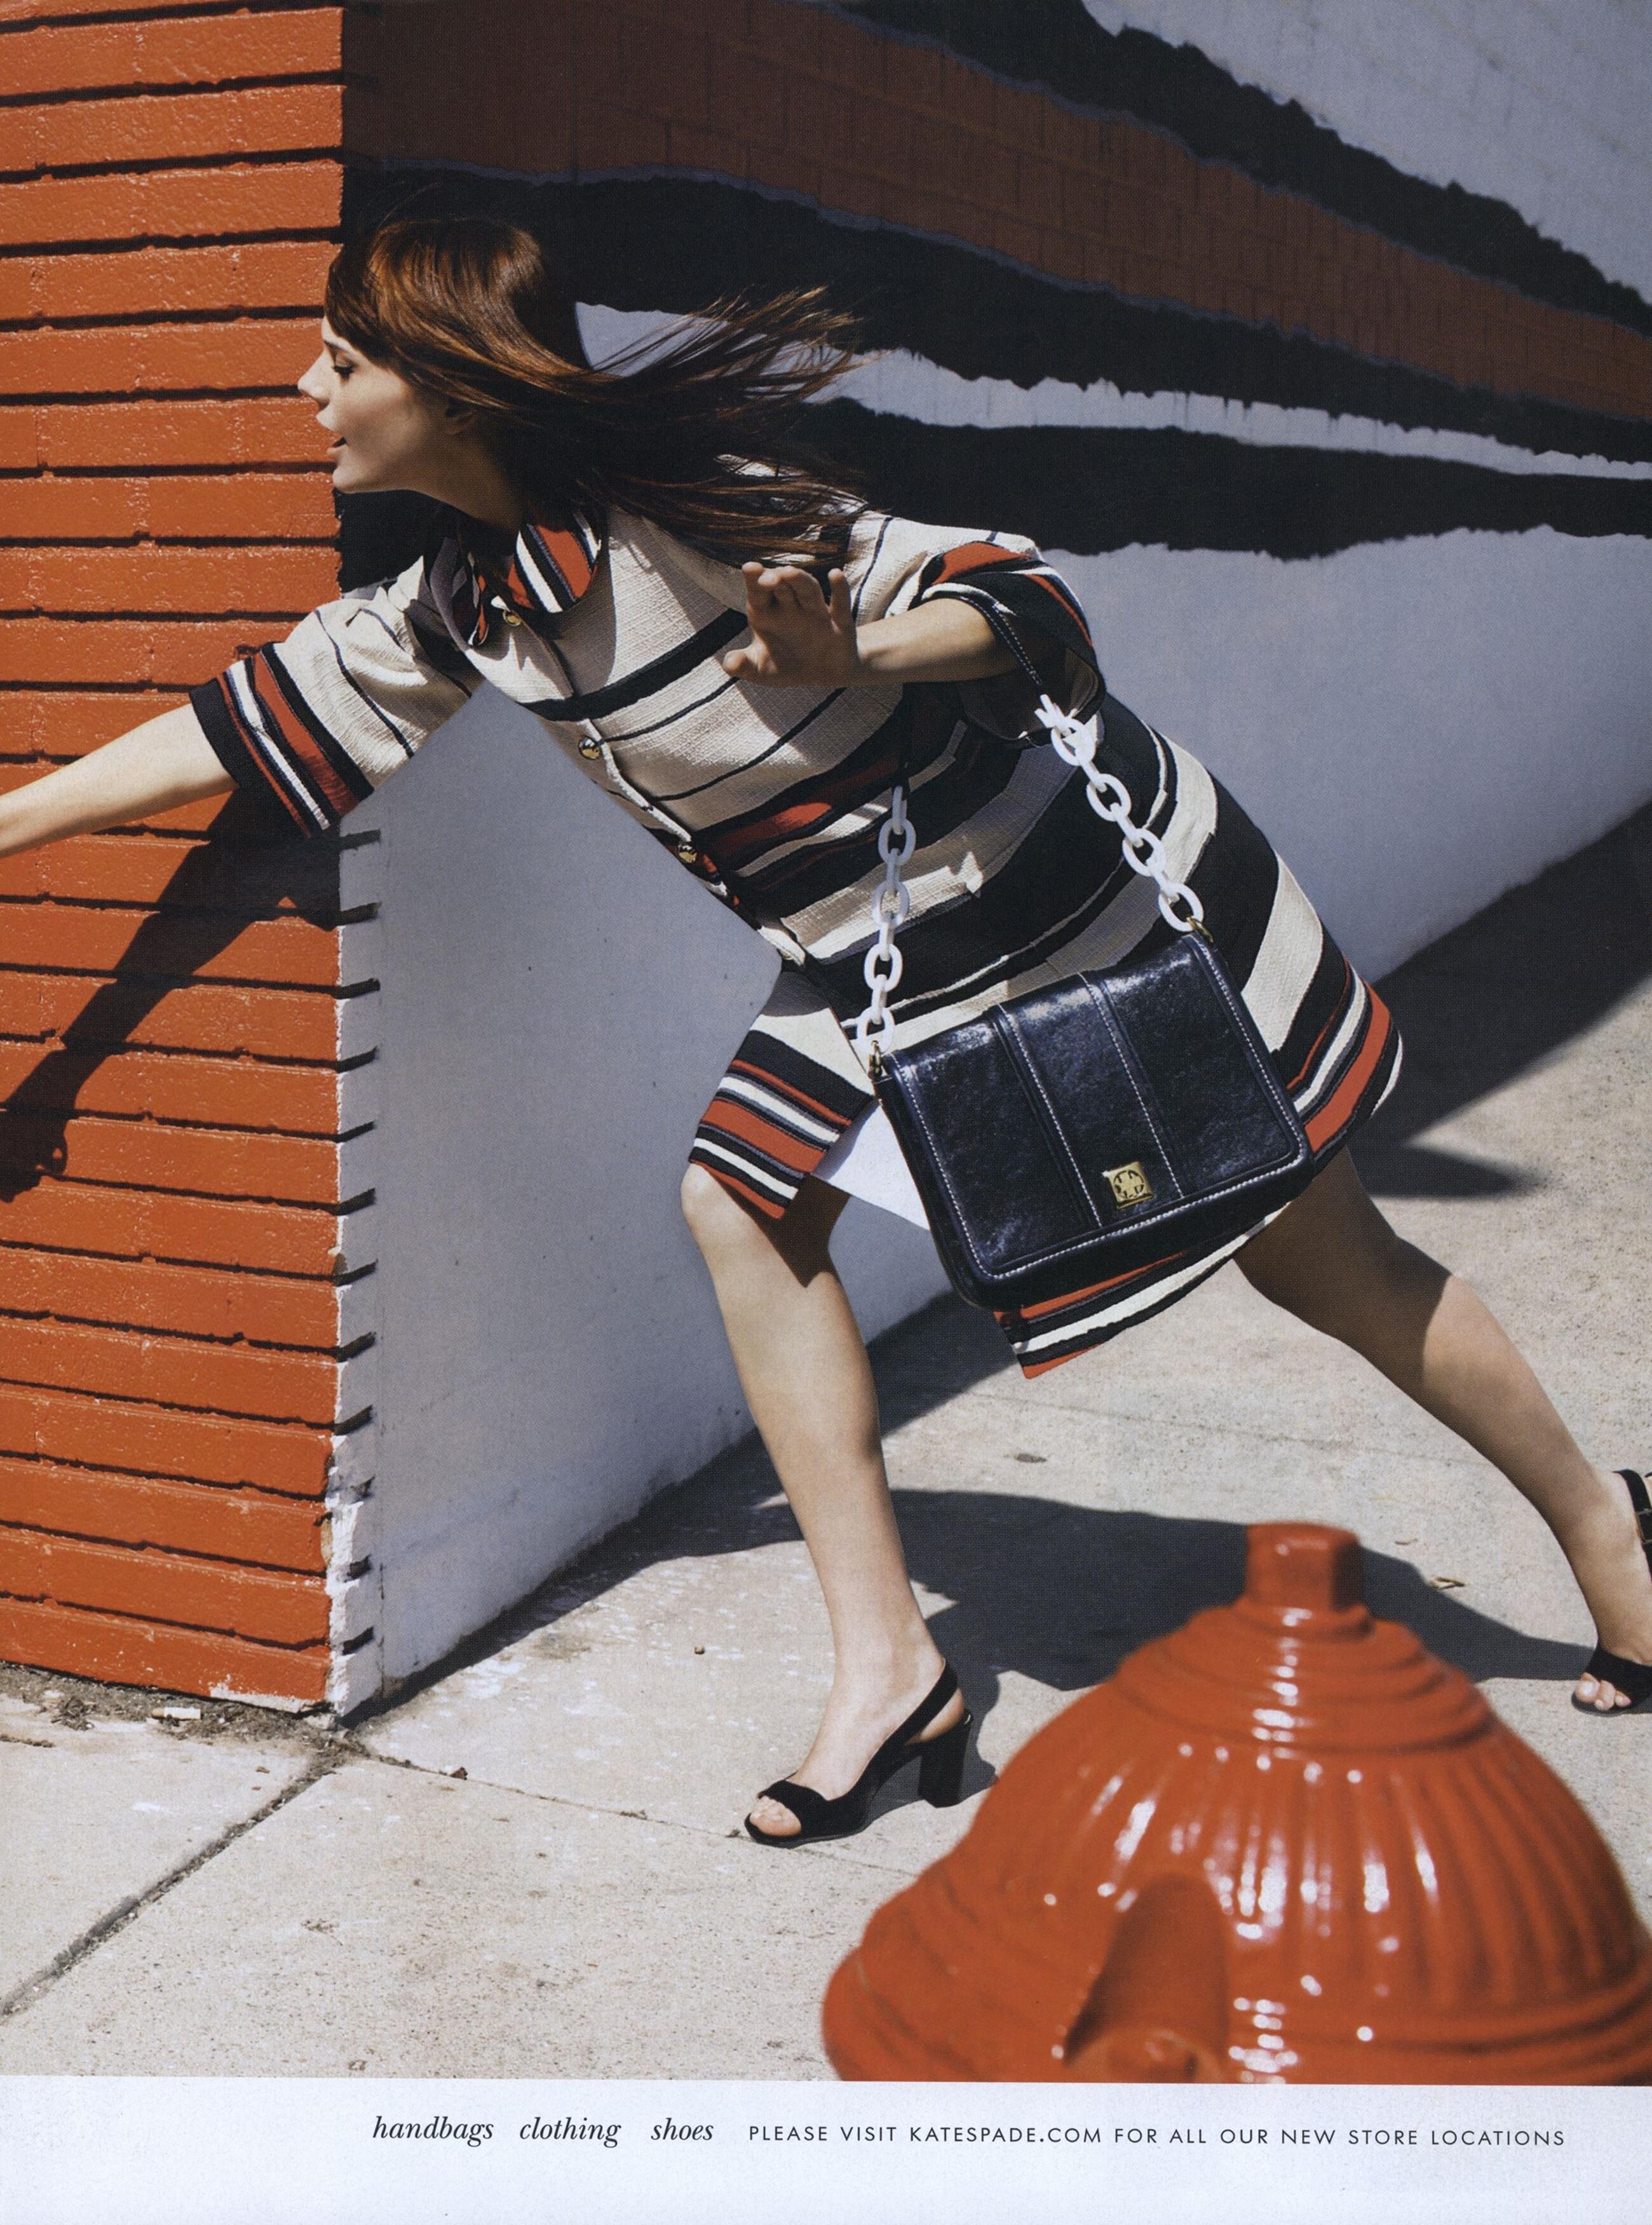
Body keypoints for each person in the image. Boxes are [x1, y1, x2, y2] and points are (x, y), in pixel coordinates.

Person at [4, 219, 1647, 1847]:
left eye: (341, 360)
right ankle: (894, 1673)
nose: (308, 389)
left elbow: (1019, 595)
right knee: (741, 1198)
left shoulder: (692, 507)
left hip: (1071, 900)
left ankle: (1609, 1535)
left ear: (448, 381)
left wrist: (853, 645)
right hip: (875, 954)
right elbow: (235, 726)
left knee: (1327, 1266)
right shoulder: (467, 608)